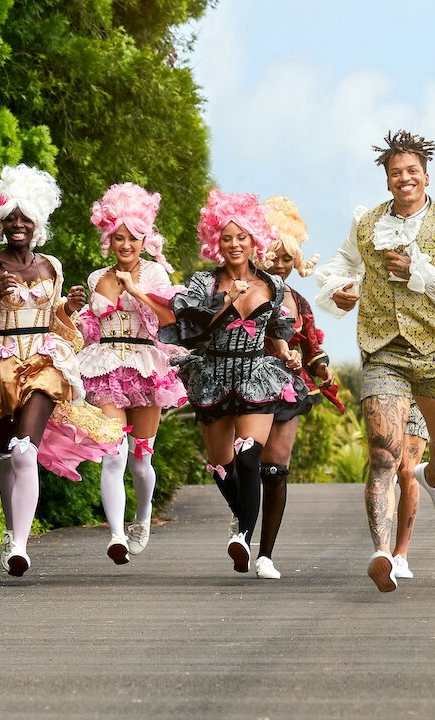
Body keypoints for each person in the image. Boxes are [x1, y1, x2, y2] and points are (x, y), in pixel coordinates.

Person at [0, 164, 125, 577]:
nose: (18, 224)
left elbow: (56, 322)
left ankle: (18, 545)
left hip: (44, 362)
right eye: (11, 217)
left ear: (37, 224)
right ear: (1, 222)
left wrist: (69, 308)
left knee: (23, 450)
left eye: (26, 218)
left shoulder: (51, 266)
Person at [314, 129, 435, 592]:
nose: (404, 178)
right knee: (384, 455)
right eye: (395, 173)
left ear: (426, 176)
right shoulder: (366, 223)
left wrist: (417, 271)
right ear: (387, 179)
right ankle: (383, 553)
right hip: (382, 350)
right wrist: (339, 291)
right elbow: (340, 266)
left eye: (411, 171)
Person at [160, 190, 304, 574]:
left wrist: (286, 351)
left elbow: (277, 328)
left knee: (249, 454)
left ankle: (243, 537)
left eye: (242, 236)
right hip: (213, 375)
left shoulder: (272, 284)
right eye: (226, 237)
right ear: (216, 242)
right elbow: (191, 330)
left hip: (256, 375)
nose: (235, 244)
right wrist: (226, 302)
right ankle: (241, 518)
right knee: (222, 465)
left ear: (254, 239)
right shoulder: (203, 283)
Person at [78, 182, 187, 564]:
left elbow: (170, 319)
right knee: (113, 452)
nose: (126, 245)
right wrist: (72, 314)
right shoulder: (96, 278)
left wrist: (135, 290)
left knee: (140, 459)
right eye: (119, 237)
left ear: (145, 240)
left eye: (133, 238)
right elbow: (89, 330)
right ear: (108, 239)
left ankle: (142, 516)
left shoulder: (155, 273)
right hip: (105, 366)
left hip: (144, 366)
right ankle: (116, 535)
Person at [255, 195, 343, 580]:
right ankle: (241, 521)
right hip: (245, 384)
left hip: (289, 387)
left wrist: (323, 371)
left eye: (287, 259)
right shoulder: (244, 291)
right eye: (273, 257)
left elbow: (311, 346)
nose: (279, 265)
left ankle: (265, 554)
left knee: (275, 469)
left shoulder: (299, 301)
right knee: (243, 462)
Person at [389, 403, 427, 580]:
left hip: (420, 394)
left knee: (407, 471)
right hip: (385, 392)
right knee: (386, 465)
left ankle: (400, 554)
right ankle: (382, 551)